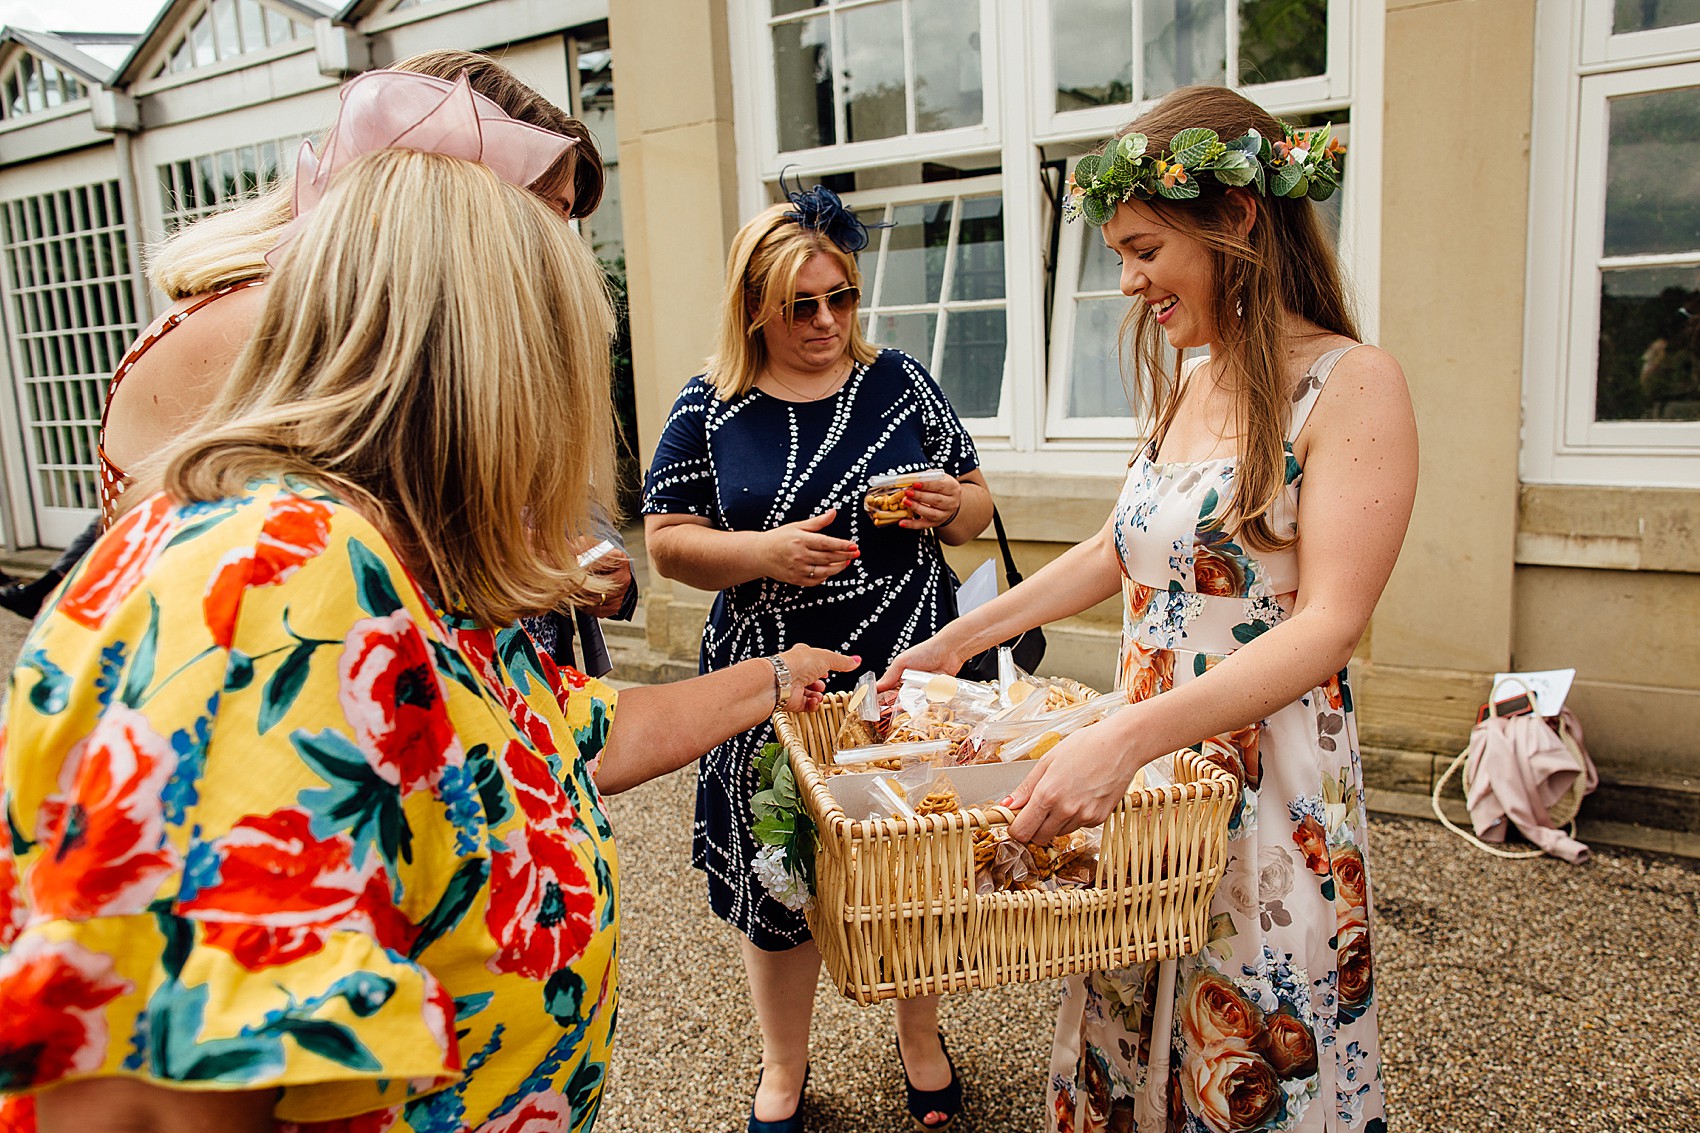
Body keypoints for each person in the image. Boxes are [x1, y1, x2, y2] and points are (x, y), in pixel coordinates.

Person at [0, 78, 854, 1133]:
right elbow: (140, 1092)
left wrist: (775, 677)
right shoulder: (279, 583)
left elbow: (570, 730)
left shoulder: (417, 570)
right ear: (490, 376)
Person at [882, 86, 1416, 1133]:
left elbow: (1325, 628)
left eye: (1140, 249)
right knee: (1128, 1033)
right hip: (1143, 787)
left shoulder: (1354, 385)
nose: (1124, 282)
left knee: (1242, 1043)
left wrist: (1120, 737)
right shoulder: (1193, 379)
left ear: (1237, 220)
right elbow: (1117, 547)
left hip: (1264, 792)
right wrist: (958, 636)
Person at [642, 188, 994, 1132]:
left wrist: (942, 506)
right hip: (774, 679)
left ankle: (921, 1038)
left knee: (913, 869)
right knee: (779, 873)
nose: (830, 322)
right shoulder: (710, 403)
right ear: (753, 304)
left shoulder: (902, 380)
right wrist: (764, 553)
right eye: (803, 306)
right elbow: (667, 541)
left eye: (842, 297)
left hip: (905, 666)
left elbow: (976, 505)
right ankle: (783, 1066)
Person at [81, 49, 636, 647]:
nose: (560, 248)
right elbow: (354, 581)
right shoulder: (279, 325)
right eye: (546, 211)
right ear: (452, 199)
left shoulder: (351, 317)